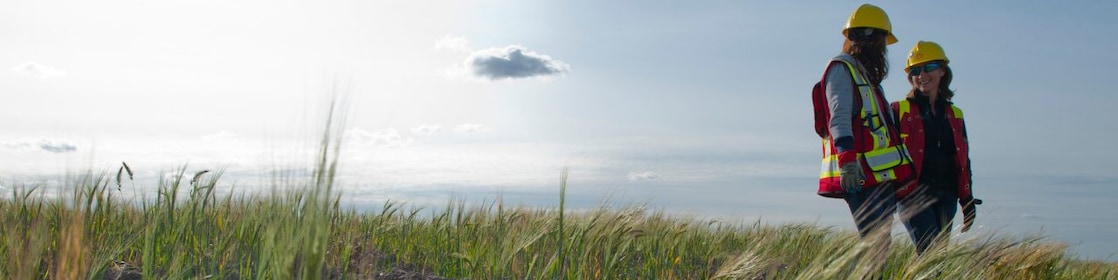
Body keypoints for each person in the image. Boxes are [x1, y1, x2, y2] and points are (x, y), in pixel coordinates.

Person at [815, 3, 915, 262]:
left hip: (877, 174)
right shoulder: (841, 69)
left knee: (880, 245)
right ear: (868, 38)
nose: (884, 48)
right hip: (857, 173)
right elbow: (838, 116)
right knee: (874, 244)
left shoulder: (866, 76)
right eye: (882, 41)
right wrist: (847, 161)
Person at [891, 41, 978, 255]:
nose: (922, 75)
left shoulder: (955, 114)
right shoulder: (898, 110)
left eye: (928, 68)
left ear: (942, 70)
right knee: (929, 251)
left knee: (937, 257)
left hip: (947, 195)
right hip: (912, 194)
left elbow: (963, 161)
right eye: (915, 70)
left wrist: (967, 200)